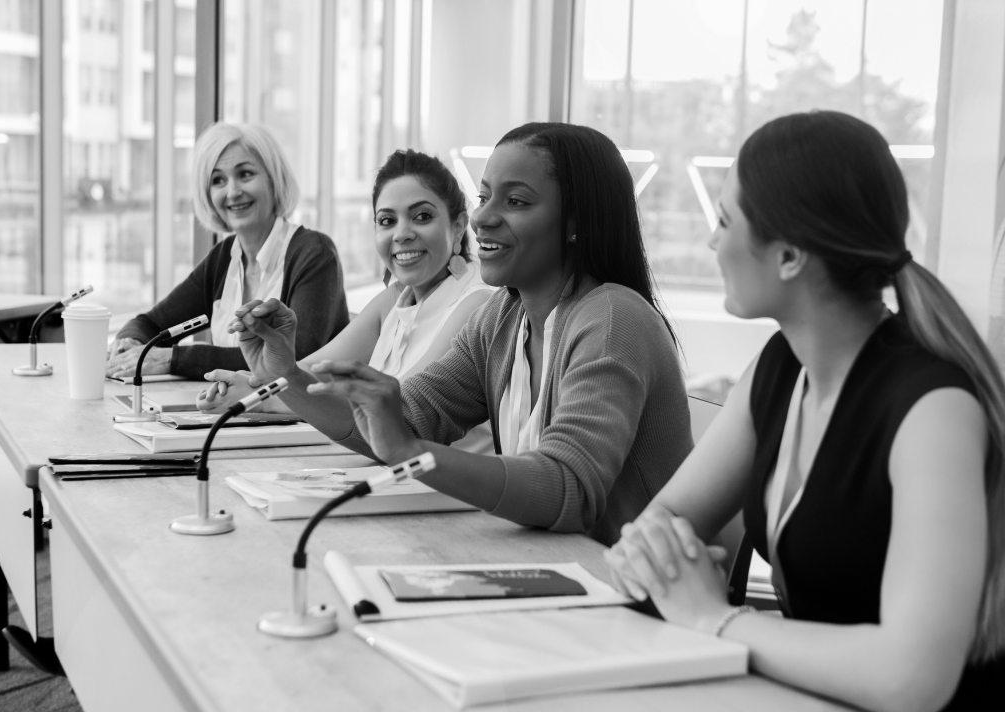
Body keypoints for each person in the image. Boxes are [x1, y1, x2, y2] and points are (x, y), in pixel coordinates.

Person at [606, 111, 1005, 712]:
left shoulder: (932, 408)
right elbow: (657, 533)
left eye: (726, 221)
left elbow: (912, 680)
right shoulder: (778, 368)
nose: (712, 242)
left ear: (790, 255)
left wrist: (716, 617)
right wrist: (662, 568)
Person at [229, 122, 693, 546]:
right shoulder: (502, 318)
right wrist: (287, 373)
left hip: (636, 605)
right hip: (561, 572)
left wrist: (412, 453)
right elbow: (404, 421)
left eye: (515, 201)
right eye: (484, 197)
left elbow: (569, 490)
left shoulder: (612, 319)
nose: (481, 218)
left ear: (576, 222)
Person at [197, 148, 495, 453]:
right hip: (396, 481)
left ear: (458, 226)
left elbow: (400, 416)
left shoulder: (476, 305)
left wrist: (269, 393)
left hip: (445, 493)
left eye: (422, 216)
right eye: (387, 220)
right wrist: (252, 386)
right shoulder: (394, 298)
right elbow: (314, 370)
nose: (401, 233)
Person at [106, 122, 348, 380]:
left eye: (245, 174)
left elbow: (294, 358)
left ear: (274, 179)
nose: (233, 192)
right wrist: (128, 345)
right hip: (237, 411)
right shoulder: (223, 259)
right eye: (218, 180)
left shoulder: (315, 254)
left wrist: (173, 358)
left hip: (303, 418)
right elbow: (150, 324)